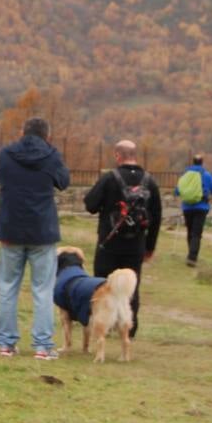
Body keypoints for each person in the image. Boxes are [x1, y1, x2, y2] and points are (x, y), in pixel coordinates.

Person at [0, 116, 71, 360]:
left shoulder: (6, 154)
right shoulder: (51, 156)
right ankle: (42, 346)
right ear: (47, 135)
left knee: (7, 287)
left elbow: (2, 180)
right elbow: (64, 182)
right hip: (42, 231)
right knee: (43, 290)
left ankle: (6, 344)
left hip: (10, 229)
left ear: (21, 132)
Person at [83, 140, 161, 338]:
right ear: (135, 156)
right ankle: (128, 329)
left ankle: (103, 324)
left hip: (109, 243)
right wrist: (149, 247)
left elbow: (90, 204)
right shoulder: (150, 182)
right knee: (131, 287)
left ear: (118, 155)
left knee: (102, 284)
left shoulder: (110, 178)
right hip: (135, 245)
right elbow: (157, 217)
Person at [175, 154, 212, 267]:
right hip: (201, 207)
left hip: (187, 207)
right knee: (197, 233)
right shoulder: (206, 175)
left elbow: (177, 191)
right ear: (202, 162)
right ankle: (192, 258)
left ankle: (190, 254)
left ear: (193, 162)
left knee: (190, 232)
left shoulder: (185, 175)